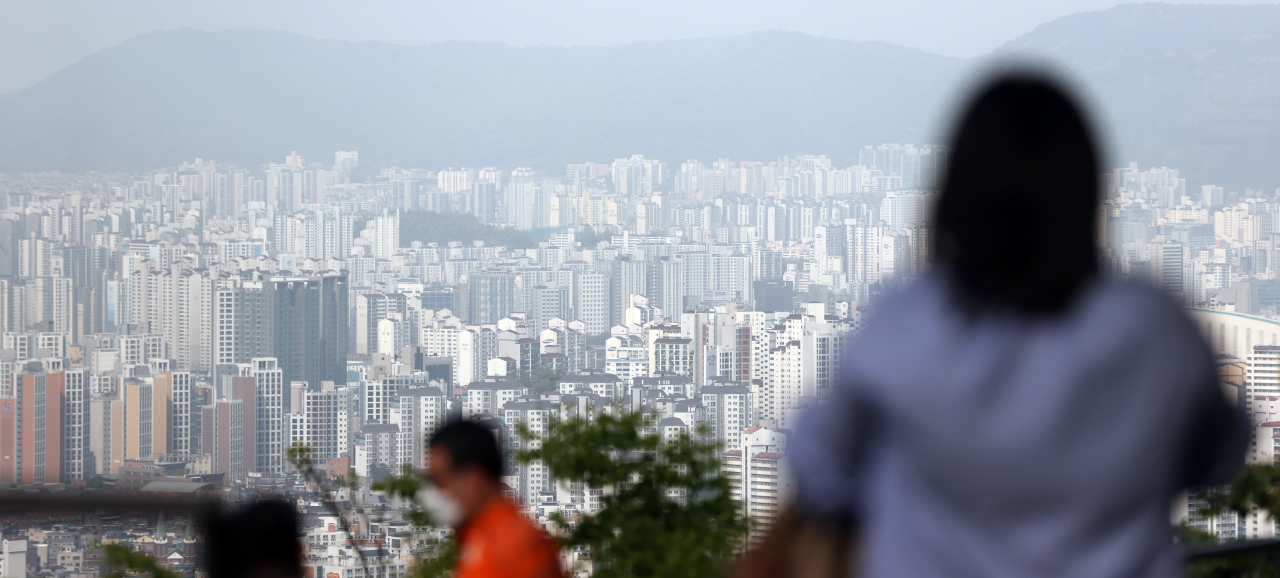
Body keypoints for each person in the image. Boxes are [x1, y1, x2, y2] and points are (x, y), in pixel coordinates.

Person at [790, 74, 1248, 578]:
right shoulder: (1153, 327)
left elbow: (819, 467)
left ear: (955, 193)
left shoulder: (909, 324)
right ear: (1089, 189)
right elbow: (1218, 454)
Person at [423, 420, 561, 578]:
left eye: (439, 480)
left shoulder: (516, 543)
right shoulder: (478, 536)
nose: (435, 491)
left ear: (474, 478)